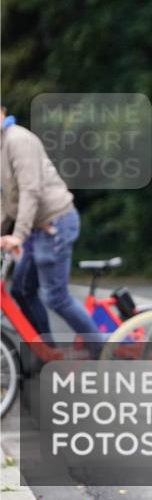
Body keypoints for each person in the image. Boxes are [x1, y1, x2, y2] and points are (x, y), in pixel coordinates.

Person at [0, 105, 103, 354]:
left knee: (56, 297)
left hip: (55, 224)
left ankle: (104, 352)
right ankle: (47, 354)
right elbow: (5, 202)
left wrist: (18, 236)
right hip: (37, 229)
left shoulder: (18, 140)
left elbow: (30, 190)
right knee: (22, 290)